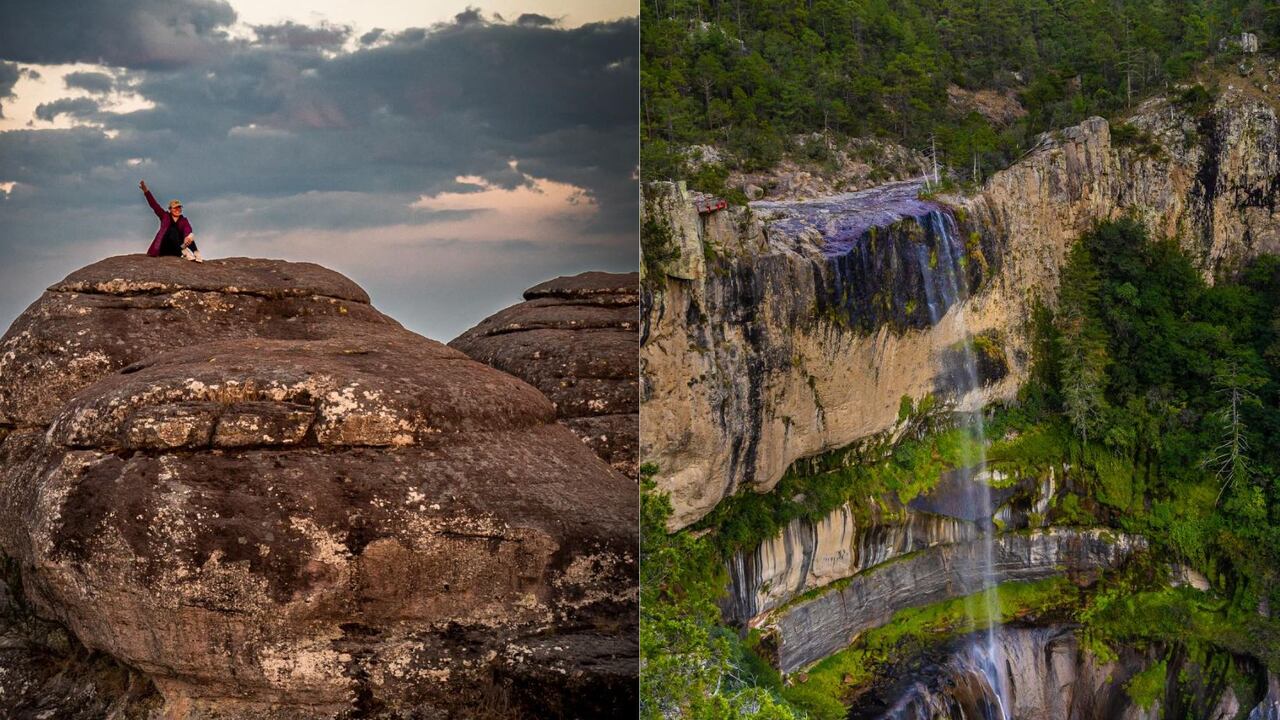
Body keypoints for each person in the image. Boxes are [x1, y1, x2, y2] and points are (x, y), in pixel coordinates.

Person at [139, 180, 203, 262]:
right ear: (170, 209)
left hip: (175, 249)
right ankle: (184, 251)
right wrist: (146, 191)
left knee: (190, 235)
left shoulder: (183, 220)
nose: (178, 210)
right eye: (175, 208)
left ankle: (196, 252)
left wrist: (187, 237)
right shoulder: (164, 216)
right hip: (164, 248)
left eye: (179, 208)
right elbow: (154, 205)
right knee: (172, 231)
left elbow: (188, 229)